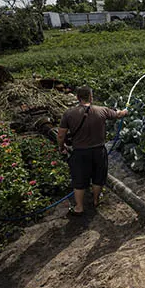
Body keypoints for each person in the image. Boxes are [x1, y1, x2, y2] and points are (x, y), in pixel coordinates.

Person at [57, 86, 128, 215]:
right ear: (91, 97)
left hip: (79, 153)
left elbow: (61, 135)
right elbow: (118, 114)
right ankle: (96, 200)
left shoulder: (69, 114)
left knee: (79, 179)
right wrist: (125, 111)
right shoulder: (102, 110)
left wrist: (61, 147)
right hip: (99, 151)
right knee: (98, 177)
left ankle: (79, 207)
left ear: (78, 98)